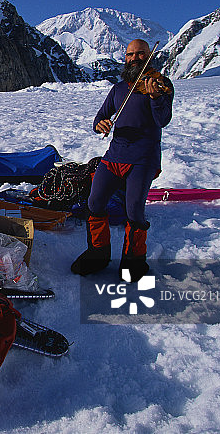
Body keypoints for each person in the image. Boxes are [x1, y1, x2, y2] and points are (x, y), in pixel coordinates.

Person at [71, 39, 173, 281]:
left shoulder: (161, 85)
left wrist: (155, 98)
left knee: (134, 210)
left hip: (143, 158)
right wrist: (100, 125)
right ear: (125, 58)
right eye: (130, 55)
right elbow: (100, 117)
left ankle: (133, 262)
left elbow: (163, 120)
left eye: (140, 54)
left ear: (149, 55)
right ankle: (98, 254)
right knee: (95, 202)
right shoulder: (118, 89)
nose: (135, 58)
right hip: (115, 155)